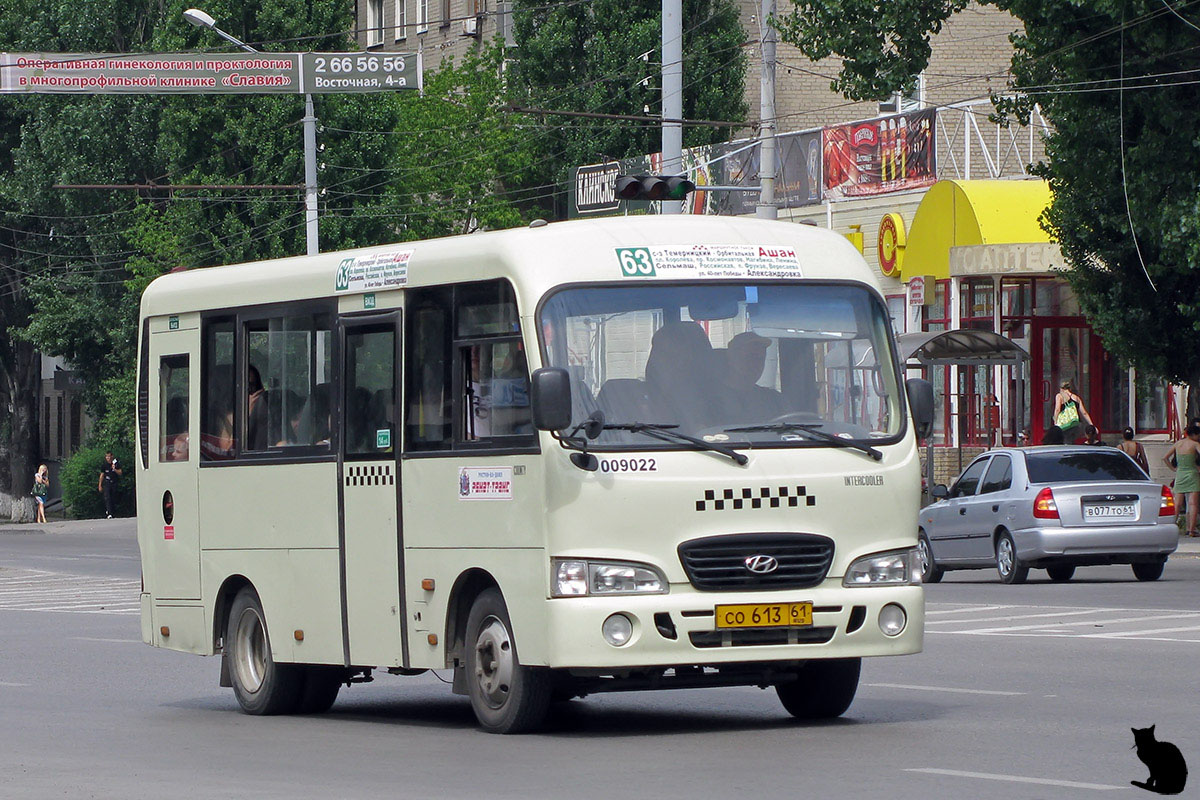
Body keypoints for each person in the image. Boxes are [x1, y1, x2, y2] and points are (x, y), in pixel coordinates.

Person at [719, 331, 785, 422]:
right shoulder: (712, 399)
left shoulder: (774, 399)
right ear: (731, 358)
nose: (756, 364)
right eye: (750, 357)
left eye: (760, 358)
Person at [1164, 422, 1200, 536]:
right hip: (1192, 473)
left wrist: (1173, 469)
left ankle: (1171, 526)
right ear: (1193, 434)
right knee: (1193, 503)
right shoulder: (1195, 444)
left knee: (1177, 503)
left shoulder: (1177, 444)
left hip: (1180, 474)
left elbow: (1165, 458)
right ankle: (1191, 529)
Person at [247, 365, 268, 451]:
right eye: (248, 387)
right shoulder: (218, 420)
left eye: (255, 385)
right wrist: (247, 414)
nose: (253, 391)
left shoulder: (264, 420)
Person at [97, 451, 122, 519]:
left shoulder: (116, 464)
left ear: (112, 456)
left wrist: (114, 469)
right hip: (107, 483)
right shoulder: (104, 465)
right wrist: (100, 485)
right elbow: (102, 475)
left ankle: (113, 512)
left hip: (114, 482)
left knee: (113, 497)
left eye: (109, 456)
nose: (108, 458)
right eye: (107, 457)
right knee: (107, 497)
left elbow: (120, 473)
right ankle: (109, 512)